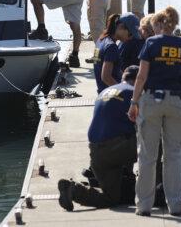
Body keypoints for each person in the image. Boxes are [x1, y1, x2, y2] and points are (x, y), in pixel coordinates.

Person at [127, 6, 181, 217]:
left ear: (158, 24)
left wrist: (134, 102)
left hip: (152, 100)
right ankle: (176, 204)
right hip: (176, 100)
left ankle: (144, 205)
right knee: (174, 153)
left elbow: (141, 76)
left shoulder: (151, 43)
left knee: (147, 154)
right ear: (174, 24)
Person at [58, 66, 140, 211]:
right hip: (116, 149)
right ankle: (158, 189)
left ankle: (73, 190)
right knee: (157, 142)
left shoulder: (105, 91)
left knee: (111, 198)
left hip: (97, 153)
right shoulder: (134, 93)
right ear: (137, 80)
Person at [93, 14, 122, 93]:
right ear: (120, 28)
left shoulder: (100, 40)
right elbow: (106, 77)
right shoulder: (111, 47)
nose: (129, 35)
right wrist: (122, 92)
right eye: (129, 32)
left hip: (101, 91)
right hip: (111, 95)